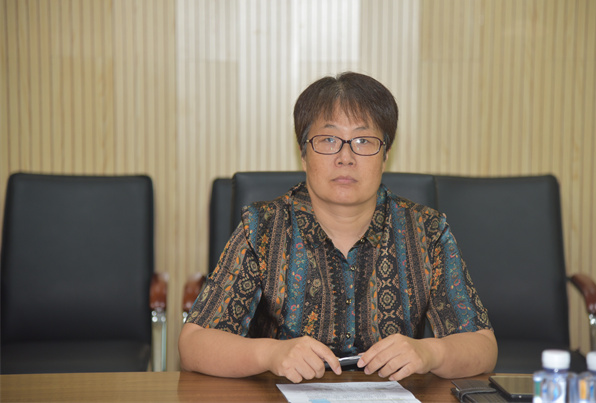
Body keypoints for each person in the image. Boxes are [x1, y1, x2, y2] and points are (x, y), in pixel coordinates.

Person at [179, 71, 497, 383]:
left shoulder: (426, 231)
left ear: (385, 154)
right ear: (303, 154)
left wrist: (430, 353)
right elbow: (194, 344)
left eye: (363, 140)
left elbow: (482, 346)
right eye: (329, 140)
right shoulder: (262, 228)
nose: (346, 157)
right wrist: (270, 354)